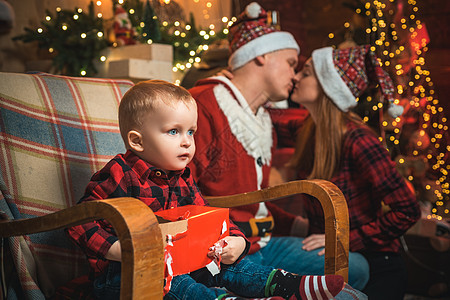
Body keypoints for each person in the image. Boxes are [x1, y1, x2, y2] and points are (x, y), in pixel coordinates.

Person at [66, 80, 347, 300]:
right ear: (137, 141)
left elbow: (211, 217)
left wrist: (235, 240)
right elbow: (80, 221)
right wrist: (122, 250)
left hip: (187, 262)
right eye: (174, 131)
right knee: (173, 280)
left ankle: (286, 285)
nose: (187, 142)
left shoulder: (183, 177)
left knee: (231, 265)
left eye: (191, 132)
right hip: (127, 276)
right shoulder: (120, 173)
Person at [188, 1, 370, 292]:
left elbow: (251, 199)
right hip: (230, 249)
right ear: (261, 56)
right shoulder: (205, 104)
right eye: (290, 63)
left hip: (265, 241)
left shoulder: (262, 117)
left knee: (357, 266)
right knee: (347, 292)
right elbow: (182, 191)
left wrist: (298, 226)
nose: (295, 75)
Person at [288, 45, 421, 299]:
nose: (295, 77)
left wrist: (345, 239)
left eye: (305, 73)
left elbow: (408, 210)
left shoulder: (358, 140)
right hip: (334, 263)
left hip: (376, 266)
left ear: (328, 86)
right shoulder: (309, 131)